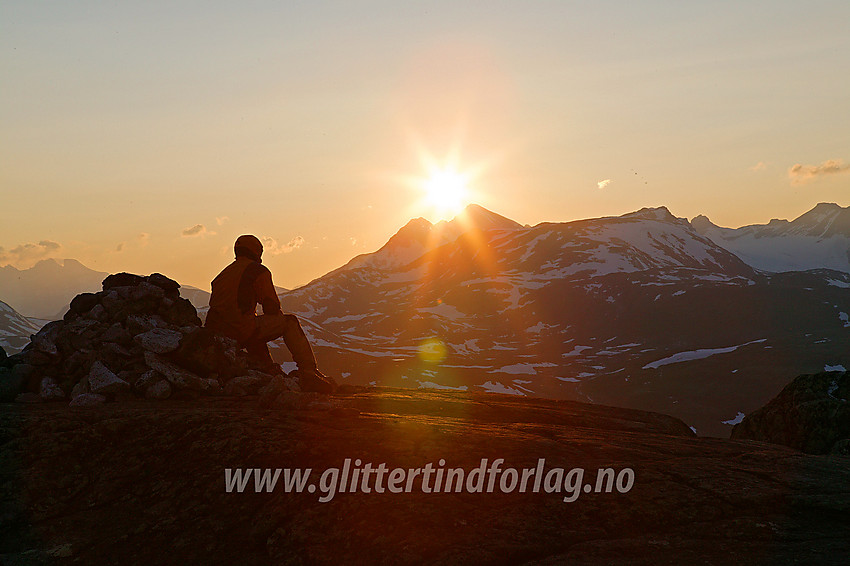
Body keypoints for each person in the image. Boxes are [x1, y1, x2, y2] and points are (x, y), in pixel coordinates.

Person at [205, 235, 332, 388]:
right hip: (240, 329)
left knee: (254, 328)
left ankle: (267, 370)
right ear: (257, 252)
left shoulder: (221, 275)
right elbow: (271, 307)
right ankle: (309, 371)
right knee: (289, 322)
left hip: (218, 335)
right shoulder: (257, 271)